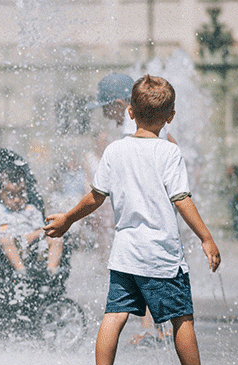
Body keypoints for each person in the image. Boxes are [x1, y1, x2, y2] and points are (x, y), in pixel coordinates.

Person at [44, 75, 238, 365]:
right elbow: (181, 200)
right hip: (161, 255)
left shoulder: (114, 150)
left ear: (130, 112)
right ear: (171, 116)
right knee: (181, 317)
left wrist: (66, 219)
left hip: (125, 256)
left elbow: (95, 197)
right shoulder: (169, 152)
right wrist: (206, 238)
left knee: (114, 315)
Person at [86, 72, 175, 349]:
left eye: (104, 108)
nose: (104, 116)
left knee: (141, 275)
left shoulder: (131, 127)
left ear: (119, 103)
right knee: (152, 275)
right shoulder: (153, 120)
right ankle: (158, 331)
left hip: (145, 217)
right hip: (160, 212)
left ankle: (154, 332)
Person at [0, 166, 63, 279]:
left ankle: (51, 270)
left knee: (57, 237)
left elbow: (43, 229)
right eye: (11, 195)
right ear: (1, 194)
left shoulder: (30, 209)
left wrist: (33, 235)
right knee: (5, 239)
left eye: (21, 194)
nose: (17, 200)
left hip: (33, 245)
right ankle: (20, 270)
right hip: (12, 246)